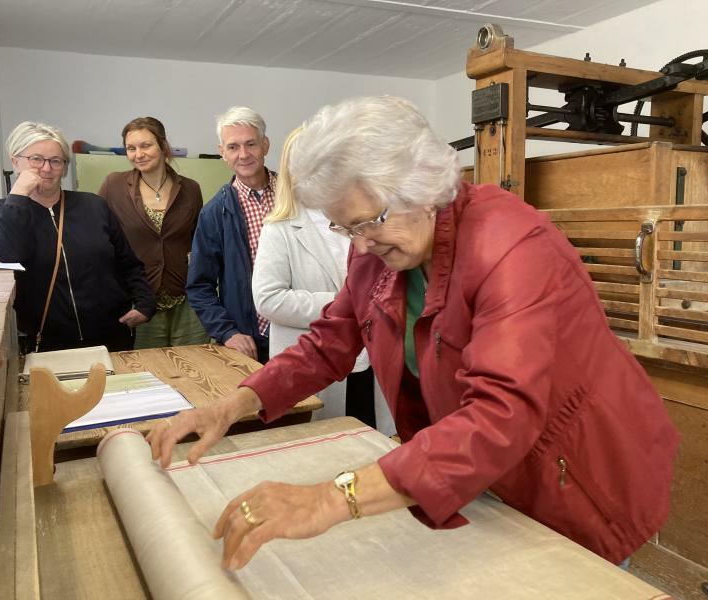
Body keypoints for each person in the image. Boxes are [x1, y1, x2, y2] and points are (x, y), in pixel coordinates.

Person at [149, 96, 679, 572]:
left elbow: (501, 412)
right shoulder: (381, 248)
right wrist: (233, 404)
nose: (360, 243)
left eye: (367, 222)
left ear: (423, 187)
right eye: (345, 227)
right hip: (486, 470)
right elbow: (329, 341)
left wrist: (330, 500)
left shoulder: (513, 246)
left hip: (577, 475)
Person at [252, 128, 391, 430]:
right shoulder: (280, 227)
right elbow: (268, 299)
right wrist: (345, 304)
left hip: (372, 358)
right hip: (314, 361)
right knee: (325, 451)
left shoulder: (363, 217)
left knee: (376, 444)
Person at [0, 121, 155, 352]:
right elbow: (9, 255)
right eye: (36, 159)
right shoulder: (0, 211)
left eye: (56, 161)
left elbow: (128, 262)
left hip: (112, 336)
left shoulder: (93, 205)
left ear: (64, 167)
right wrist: (18, 196)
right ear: (15, 161)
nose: (46, 168)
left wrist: (145, 304)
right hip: (46, 342)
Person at [98, 117, 208, 349]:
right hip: (140, 303)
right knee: (149, 373)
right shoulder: (113, 185)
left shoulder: (190, 189)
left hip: (185, 300)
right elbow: (99, 241)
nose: (139, 154)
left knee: (194, 368)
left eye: (146, 145)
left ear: (163, 146)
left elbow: (199, 241)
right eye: (131, 148)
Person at [186, 106, 274, 363]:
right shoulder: (214, 212)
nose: (244, 154)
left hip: (300, 334)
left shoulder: (295, 198)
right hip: (250, 343)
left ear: (265, 145)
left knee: (308, 403)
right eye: (233, 147)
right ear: (222, 153)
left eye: (251, 144)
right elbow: (199, 287)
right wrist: (227, 332)